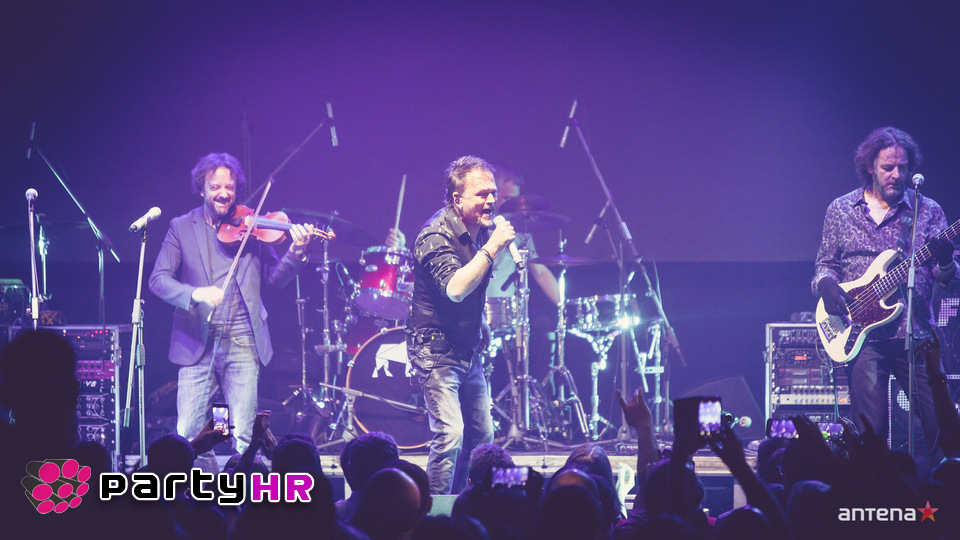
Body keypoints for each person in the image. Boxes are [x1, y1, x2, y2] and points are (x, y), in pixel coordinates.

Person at [149, 152, 314, 472]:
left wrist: (296, 252)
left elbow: (275, 279)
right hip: (196, 342)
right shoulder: (181, 227)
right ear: (201, 188)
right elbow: (158, 280)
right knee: (190, 436)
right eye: (215, 187)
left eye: (229, 187)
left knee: (243, 434)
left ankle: (242, 495)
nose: (223, 193)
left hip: (242, 340)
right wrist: (195, 293)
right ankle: (204, 493)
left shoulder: (251, 225)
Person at [813, 126, 958, 461]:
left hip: (915, 334)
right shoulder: (841, 210)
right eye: (887, 168)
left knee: (942, 427)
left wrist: (946, 260)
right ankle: (873, 491)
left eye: (902, 168)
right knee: (870, 435)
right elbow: (825, 265)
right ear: (869, 166)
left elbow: (946, 281)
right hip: (862, 336)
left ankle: (948, 490)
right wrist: (826, 285)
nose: (896, 174)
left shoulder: (927, 211)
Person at [406, 155, 515, 494]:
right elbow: (455, 289)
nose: (491, 200)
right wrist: (493, 248)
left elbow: (473, 286)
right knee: (451, 433)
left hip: (467, 348)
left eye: (493, 192)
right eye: (482, 194)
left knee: (483, 436)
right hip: (435, 349)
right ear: (457, 199)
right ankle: (435, 512)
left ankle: (467, 504)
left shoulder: (480, 230)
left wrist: (480, 323)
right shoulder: (434, 235)